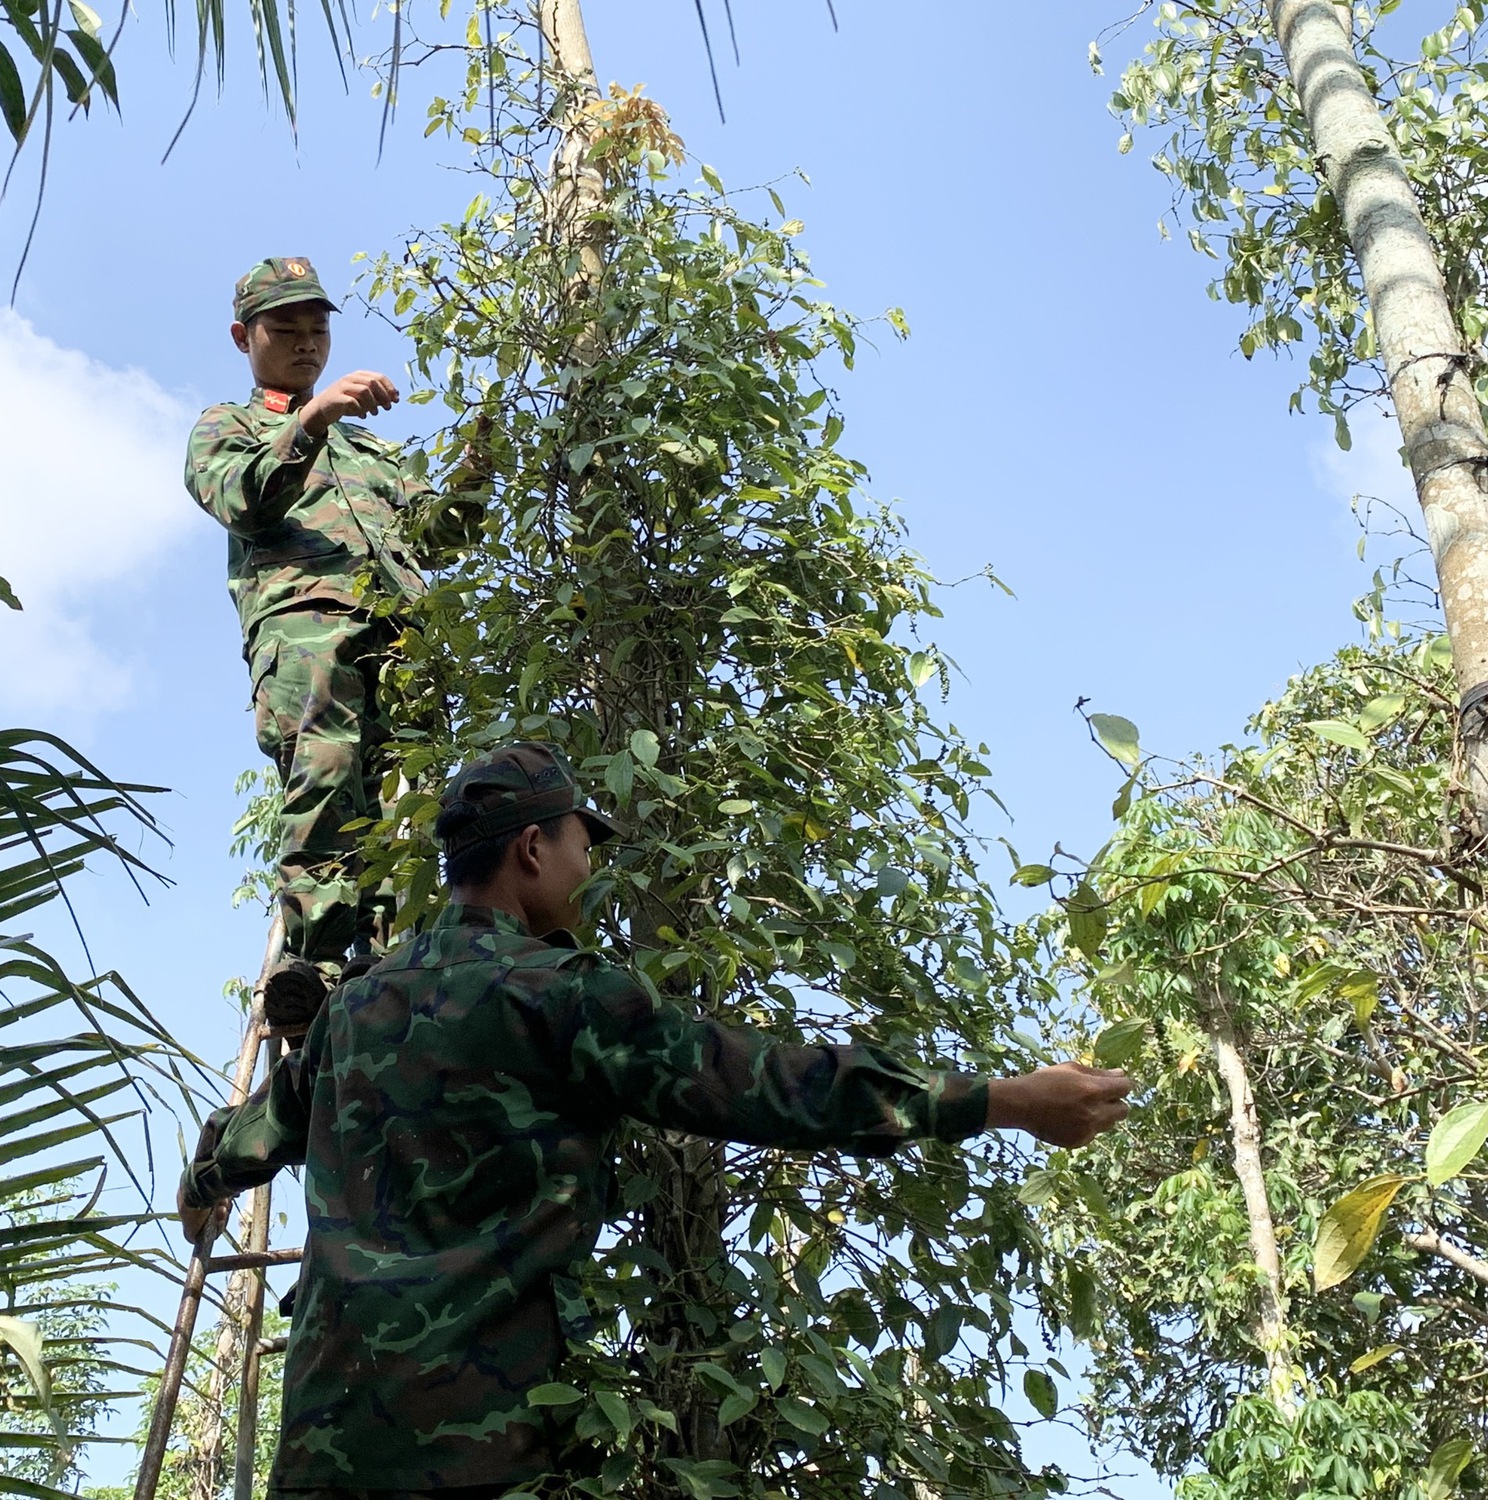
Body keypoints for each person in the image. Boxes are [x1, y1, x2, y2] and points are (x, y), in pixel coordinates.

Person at [179, 741, 1136, 1497]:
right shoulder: (562, 995)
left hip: (324, 1442)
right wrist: (1005, 1100)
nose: (588, 867)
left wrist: (201, 1188)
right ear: (531, 850)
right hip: (488, 1450)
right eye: (582, 845)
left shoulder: (353, 1013)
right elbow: (769, 1084)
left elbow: (250, 1135)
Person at [185, 256, 437, 1025]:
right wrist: (313, 418)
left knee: (414, 798)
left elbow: (439, 534)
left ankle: (405, 956)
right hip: (306, 624)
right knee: (327, 768)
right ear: (244, 337)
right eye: (285, 330)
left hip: (400, 634)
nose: (305, 344)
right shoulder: (229, 427)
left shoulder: (374, 452)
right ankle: (319, 959)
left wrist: (477, 472)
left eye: (317, 330)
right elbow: (239, 499)